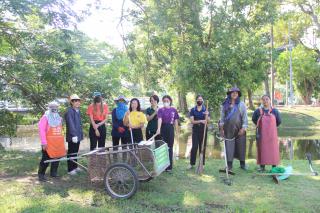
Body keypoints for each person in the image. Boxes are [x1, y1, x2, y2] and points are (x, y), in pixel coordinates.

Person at [219, 87, 248, 173]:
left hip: (240, 129)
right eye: (233, 92)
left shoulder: (241, 104)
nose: (234, 94)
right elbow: (222, 117)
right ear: (229, 94)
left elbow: (245, 117)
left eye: (236, 92)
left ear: (238, 94)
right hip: (228, 129)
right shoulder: (225, 104)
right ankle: (229, 165)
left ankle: (242, 164)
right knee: (229, 147)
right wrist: (221, 129)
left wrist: (244, 128)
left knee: (241, 146)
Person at [252, 94, 281, 172]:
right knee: (262, 149)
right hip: (261, 135)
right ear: (261, 101)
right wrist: (260, 126)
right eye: (263, 99)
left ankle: (274, 167)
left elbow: (279, 121)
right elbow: (254, 119)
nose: (265, 101)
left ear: (270, 100)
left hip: (272, 135)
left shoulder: (275, 111)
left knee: (273, 150)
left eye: (267, 99)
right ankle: (262, 167)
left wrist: (271, 128)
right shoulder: (258, 111)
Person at [38, 101, 66, 181]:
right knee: (45, 158)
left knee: (57, 157)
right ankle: (41, 175)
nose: (54, 109)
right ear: (49, 108)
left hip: (57, 142)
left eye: (56, 107)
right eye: (52, 107)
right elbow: (41, 130)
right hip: (48, 143)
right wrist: (44, 143)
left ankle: (53, 172)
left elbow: (60, 130)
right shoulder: (45, 117)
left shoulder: (58, 118)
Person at [156, 95, 180, 172]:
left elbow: (176, 121)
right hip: (163, 128)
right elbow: (159, 119)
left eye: (167, 100)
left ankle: (169, 166)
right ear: (162, 102)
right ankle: (162, 166)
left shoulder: (174, 110)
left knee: (170, 147)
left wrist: (177, 131)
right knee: (163, 147)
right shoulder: (160, 110)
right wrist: (158, 128)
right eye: (164, 101)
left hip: (170, 129)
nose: (166, 102)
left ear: (170, 101)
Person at [188, 95, 209, 170]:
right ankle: (191, 163)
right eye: (198, 99)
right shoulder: (193, 110)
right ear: (196, 100)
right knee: (194, 147)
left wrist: (207, 115)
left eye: (201, 99)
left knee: (202, 147)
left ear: (203, 101)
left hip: (203, 131)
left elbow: (207, 122)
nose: (199, 100)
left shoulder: (205, 109)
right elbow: (192, 121)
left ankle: (202, 164)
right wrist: (200, 121)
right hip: (196, 131)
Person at [65, 94, 83, 175]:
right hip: (73, 136)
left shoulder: (78, 111)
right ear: (71, 102)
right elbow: (70, 124)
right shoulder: (69, 111)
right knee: (71, 152)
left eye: (78, 101)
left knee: (75, 151)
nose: (77, 102)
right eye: (75, 101)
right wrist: (74, 135)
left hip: (78, 135)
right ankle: (70, 169)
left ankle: (75, 166)